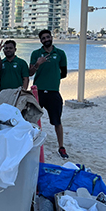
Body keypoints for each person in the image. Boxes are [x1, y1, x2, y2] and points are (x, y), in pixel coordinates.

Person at [29, 29, 68, 159]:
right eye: (43, 38)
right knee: (32, 119)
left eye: (47, 37)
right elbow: (30, 72)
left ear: (51, 37)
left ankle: (61, 147)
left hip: (53, 92)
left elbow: (63, 73)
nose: (46, 39)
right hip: (38, 92)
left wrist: (52, 79)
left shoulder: (60, 53)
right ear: (40, 41)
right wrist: (37, 64)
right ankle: (29, 144)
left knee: (57, 121)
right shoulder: (36, 53)